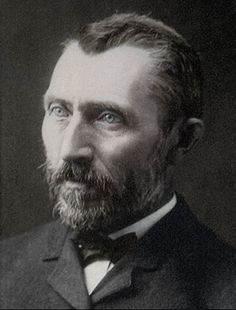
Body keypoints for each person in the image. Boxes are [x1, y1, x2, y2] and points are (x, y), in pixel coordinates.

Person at [0, 13, 235, 309]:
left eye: (108, 118)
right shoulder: (5, 265)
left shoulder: (225, 289)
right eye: (59, 111)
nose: (69, 149)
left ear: (182, 139)